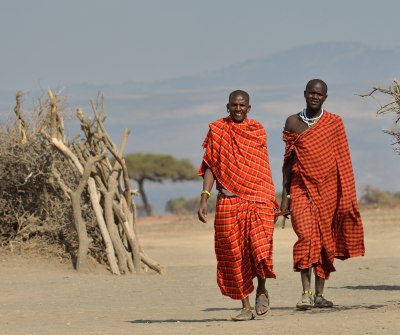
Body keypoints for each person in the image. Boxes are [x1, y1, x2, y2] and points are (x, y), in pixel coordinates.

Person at [280, 79, 365, 310]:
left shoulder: (334, 122)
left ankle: (319, 295)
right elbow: (288, 162)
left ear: (325, 97)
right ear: (305, 94)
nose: (315, 97)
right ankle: (305, 294)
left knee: (325, 241)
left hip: (328, 190)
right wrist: (284, 194)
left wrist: (345, 195)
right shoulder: (293, 122)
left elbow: (343, 159)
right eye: (311, 93)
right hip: (300, 188)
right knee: (307, 237)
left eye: (319, 94)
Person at [197, 90, 279, 321]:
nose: (238, 109)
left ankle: (261, 290)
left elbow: (261, 168)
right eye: (234, 105)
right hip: (229, 201)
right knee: (234, 254)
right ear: (228, 106)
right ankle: (245, 306)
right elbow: (211, 165)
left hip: (258, 199)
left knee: (260, 249)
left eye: (242, 105)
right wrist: (205, 196)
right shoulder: (218, 131)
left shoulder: (256, 131)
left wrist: (269, 199)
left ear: (249, 108)